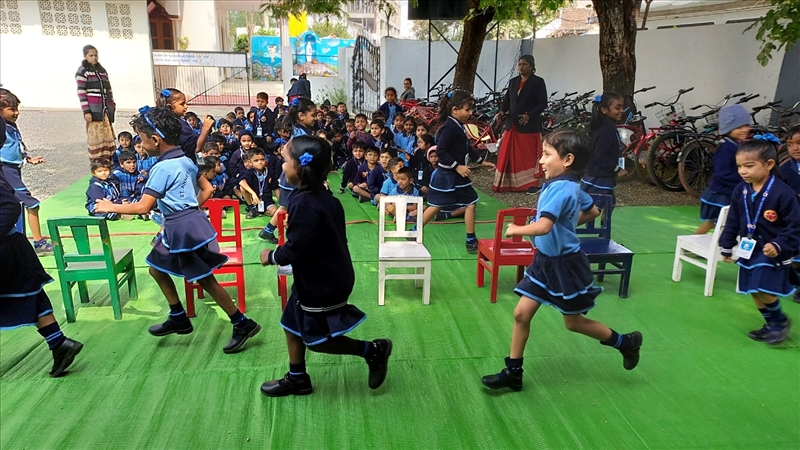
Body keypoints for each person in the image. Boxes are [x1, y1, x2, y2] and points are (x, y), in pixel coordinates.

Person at [481, 129, 643, 392]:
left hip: (565, 266)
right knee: (521, 314)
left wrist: (516, 229)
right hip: (544, 263)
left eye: (546, 154)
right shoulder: (568, 184)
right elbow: (592, 210)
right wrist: (567, 224)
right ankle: (513, 372)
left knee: (573, 323)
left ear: (567, 160)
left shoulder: (561, 189)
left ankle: (625, 342)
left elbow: (543, 227)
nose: (541, 160)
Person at [93, 106, 261, 353]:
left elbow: (143, 206)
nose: (141, 145)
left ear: (155, 140)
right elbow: (208, 189)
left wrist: (111, 206)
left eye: (142, 139)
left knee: (205, 279)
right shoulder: (186, 160)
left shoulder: (161, 169)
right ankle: (178, 315)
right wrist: (189, 210)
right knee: (156, 268)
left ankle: (241, 323)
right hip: (187, 224)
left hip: (182, 230)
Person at [259, 135, 392, 397]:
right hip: (317, 275)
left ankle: (373, 350)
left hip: (323, 282)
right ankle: (298, 378)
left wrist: (272, 256)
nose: (282, 166)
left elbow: (297, 248)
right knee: (291, 324)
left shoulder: (305, 204)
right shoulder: (319, 197)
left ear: (300, 167)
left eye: (285, 160)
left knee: (316, 341)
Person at [1, 163, 84, 378]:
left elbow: (10, 206)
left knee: (30, 295)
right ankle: (59, 343)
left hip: (7, 248)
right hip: (13, 248)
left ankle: (59, 343)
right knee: (32, 297)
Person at [719, 136, 800, 344]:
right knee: (753, 290)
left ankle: (780, 321)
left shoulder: (783, 194)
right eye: (739, 166)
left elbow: (795, 226)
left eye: (749, 166)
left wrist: (779, 244)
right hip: (750, 250)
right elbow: (733, 219)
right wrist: (727, 245)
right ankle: (771, 323)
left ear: (769, 164)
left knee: (761, 286)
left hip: (773, 253)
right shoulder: (741, 190)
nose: (742, 171)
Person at [412, 90, 496, 254]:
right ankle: (469, 241)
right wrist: (457, 166)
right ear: (455, 110)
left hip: (454, 176)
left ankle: (469, 239)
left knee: (457, 204)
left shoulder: (458, 126)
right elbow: (441, 151)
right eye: (467, 109)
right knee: (440, 205)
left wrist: (481, 161)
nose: (470, 113)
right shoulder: (449, 128)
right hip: (448, 175)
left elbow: (466, 147)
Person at [0, 88, 53, 256]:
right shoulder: (3, 126)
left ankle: (17, 240)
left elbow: (15, 146)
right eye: (12, 109)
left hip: (14, 170)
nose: (17, 113)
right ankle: (39, 243)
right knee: (32, 204)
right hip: (6, 171)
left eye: (17, 108)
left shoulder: (12, 126)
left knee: (14, 205)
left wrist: (28, 159)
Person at [493, 55, 548, 194]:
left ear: (531, 66)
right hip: (512, 124)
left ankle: (530, 185)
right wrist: (502, 111)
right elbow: (507, 100)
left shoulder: (538, 82)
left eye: (524, 64)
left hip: (529, 126)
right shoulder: (513, 82)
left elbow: (542, 103)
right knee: (509, 155)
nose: (521, 67)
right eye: (519, 64)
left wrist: (529, 115)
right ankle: (509, 184)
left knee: (528, 156)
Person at [696, 105, 752, 235]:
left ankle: (722, 244)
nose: (744, 130)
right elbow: (722, 173)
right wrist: (743, 181)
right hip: (721, 194)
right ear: (728, 128)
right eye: (739, 127)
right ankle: (695, 242)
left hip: (730, 192)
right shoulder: (727, 148)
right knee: (714, 222)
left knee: (723, 223)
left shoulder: (738, 144)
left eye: (746, 125)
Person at [581, 93, 627, 207]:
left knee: (609, 204)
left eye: (622, 107)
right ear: (604, 110)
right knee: (592, 209)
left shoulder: (607, 127)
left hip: (601, 175)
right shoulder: (606, 130)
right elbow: (599, 156)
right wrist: (617, 169)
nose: (622, 110)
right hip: (599, 177)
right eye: (617, 108)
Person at [76, 45, 117, 163]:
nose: (94, 58)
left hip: (105, 111)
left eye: (96, 55)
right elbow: (81, 92)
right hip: (94, 111)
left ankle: (110, 164)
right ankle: (98, 165)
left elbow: (109, 90)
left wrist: (112, 105)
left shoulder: (102, 71)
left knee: (107, 138)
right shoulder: (83, 71)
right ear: (85, 56)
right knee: (96, 139)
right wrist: (86, 111)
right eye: (91, 55)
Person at [156, 88, 214, 163]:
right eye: (182, 104)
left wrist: (201, 163)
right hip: (185, 163)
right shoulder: (178, 125)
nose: (186, 106)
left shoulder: (164, 122)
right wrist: (205, 130)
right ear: (170, 107)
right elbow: (196, 149)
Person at [778, 125, 800, 302]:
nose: (795, 148)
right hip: (793, 219)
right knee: (792, 254)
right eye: (790, 144)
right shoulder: (785, 169)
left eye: (799, 143)